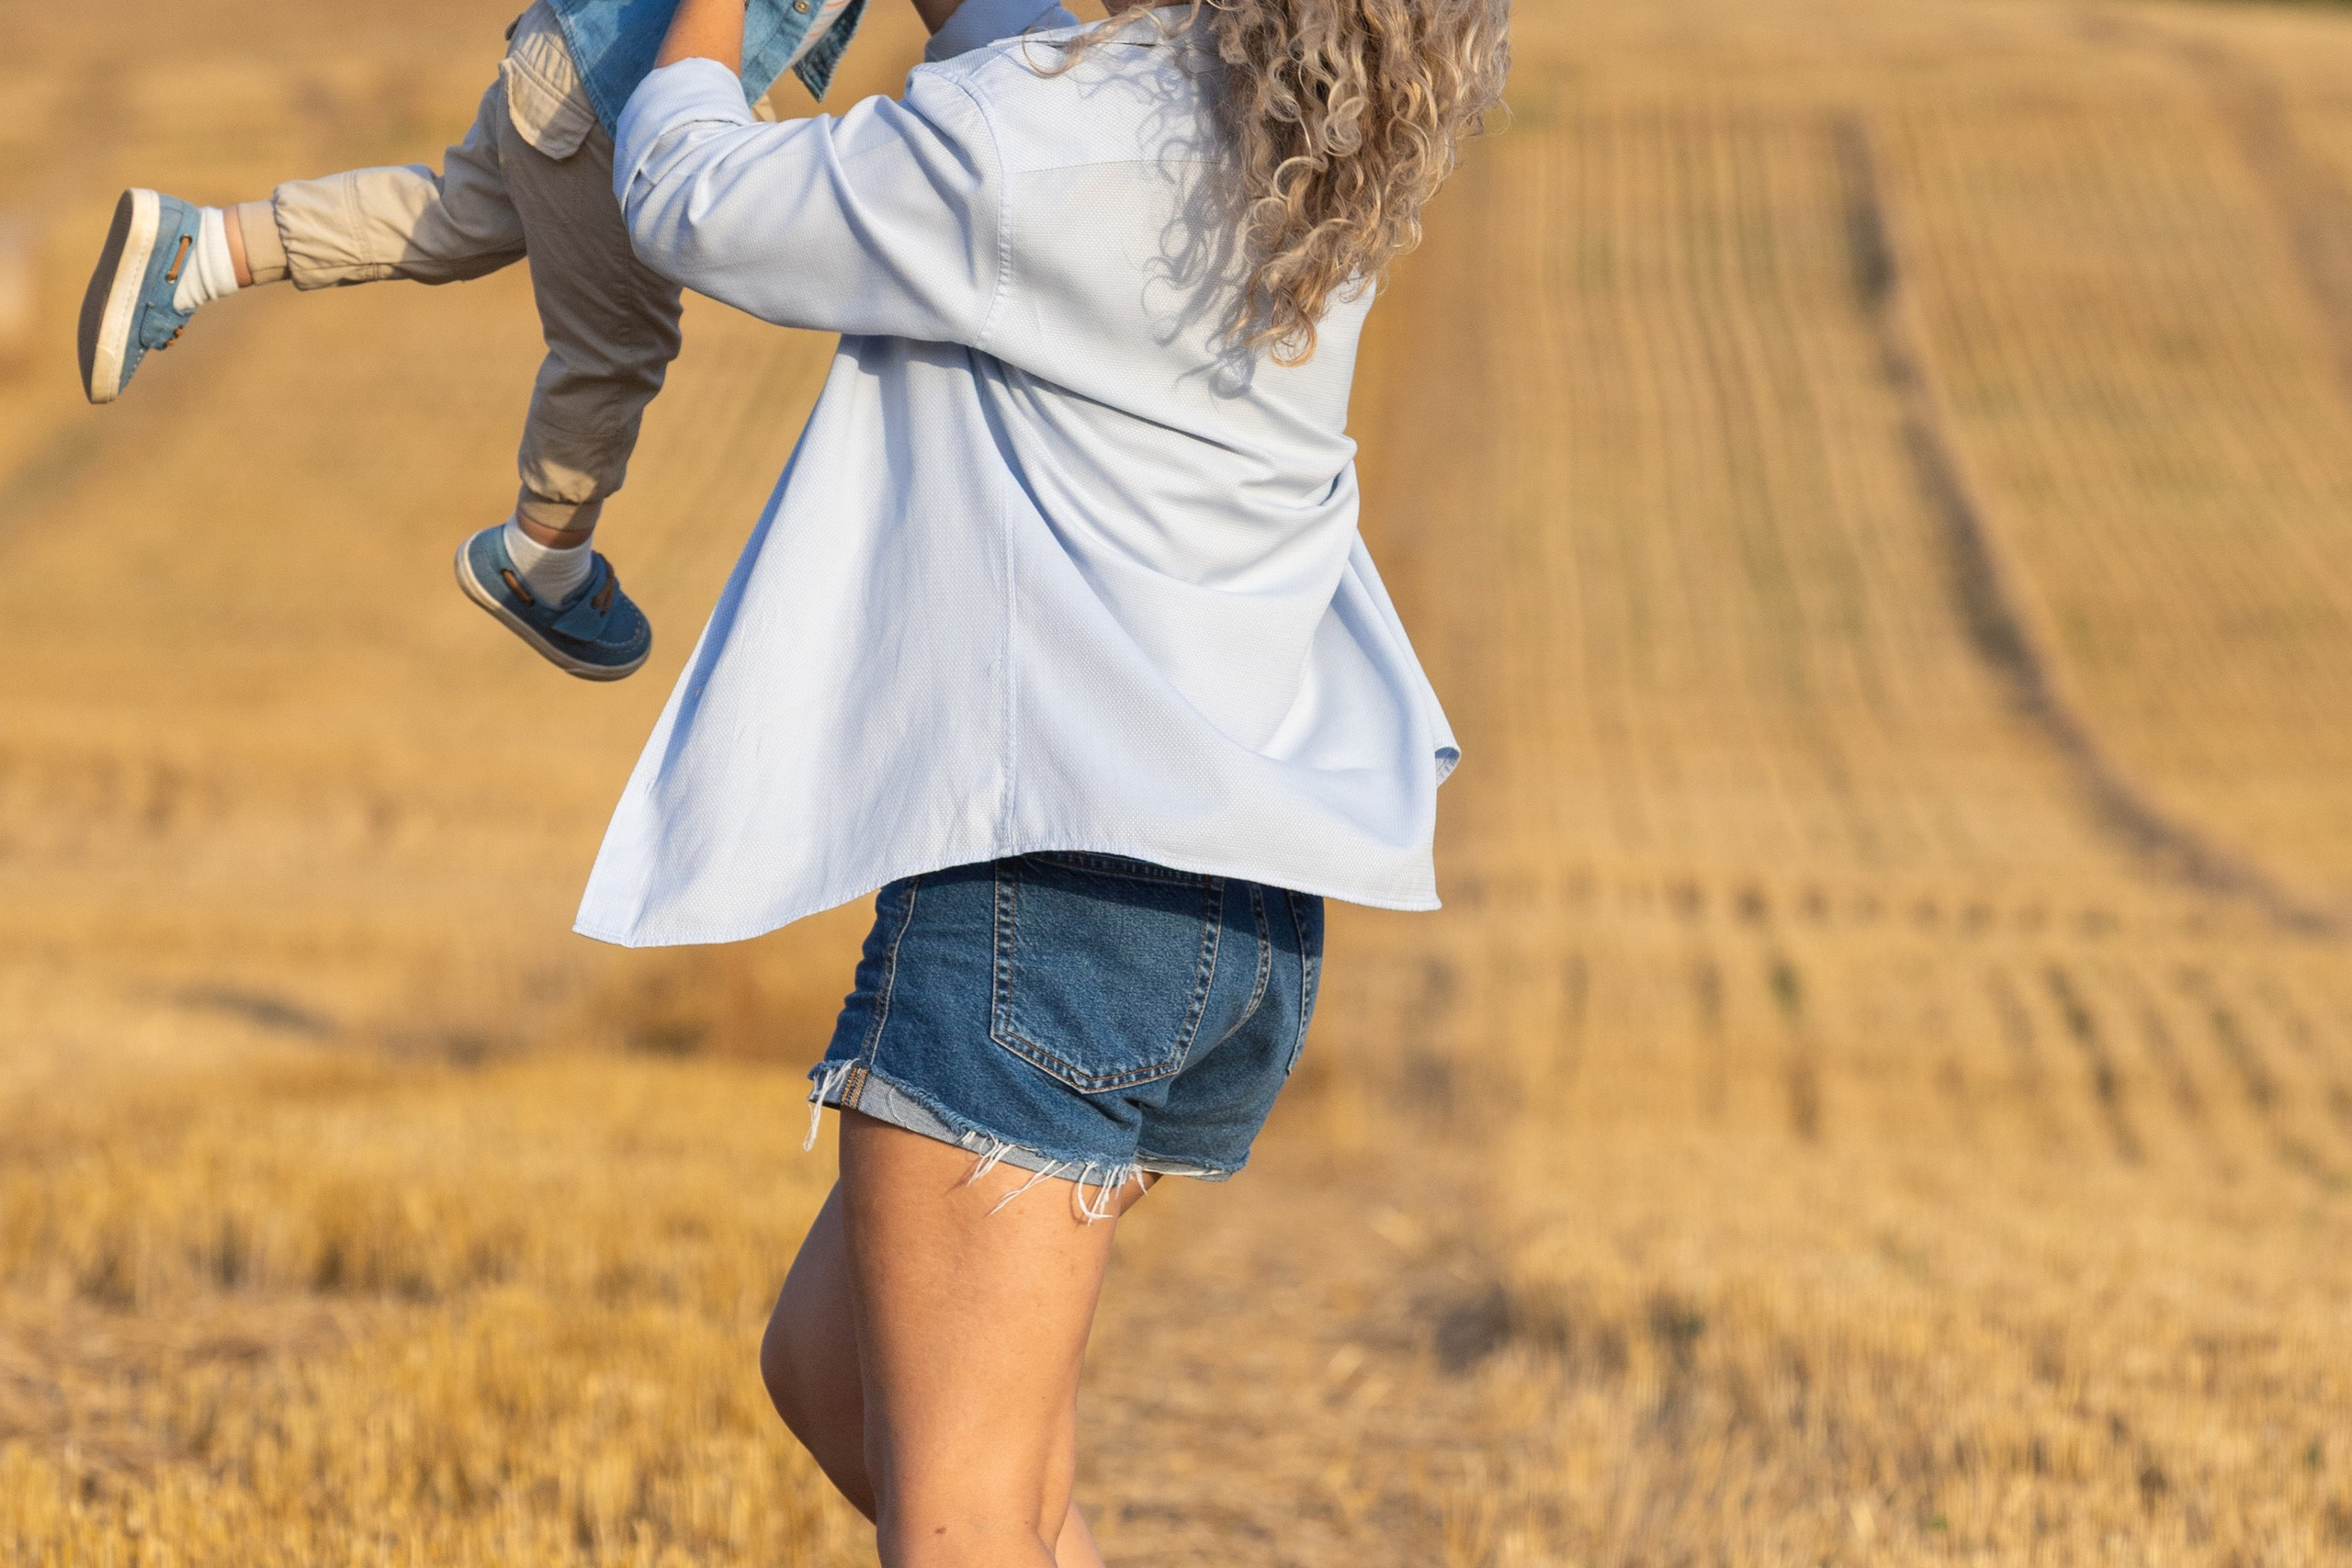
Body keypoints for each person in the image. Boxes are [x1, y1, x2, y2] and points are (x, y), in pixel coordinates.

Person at [591, 0, 1504, 1557]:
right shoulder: (1295, 147)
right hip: (1226, 912)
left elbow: (690, 198)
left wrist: (708, 16)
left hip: (1045, 893)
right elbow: (1030, 71)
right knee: (842, 1385)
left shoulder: (1040, 125)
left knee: (958, 1523)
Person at [73, 0, 1064, 679]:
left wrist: (1045, 50)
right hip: (612, 94)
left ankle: (202, 250)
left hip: (563, 50)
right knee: (620, 346)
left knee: (454, 219)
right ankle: (541, 555)